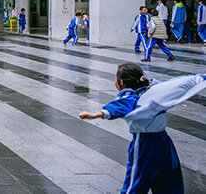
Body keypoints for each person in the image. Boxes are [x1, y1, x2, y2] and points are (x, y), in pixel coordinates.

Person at [78, 63, 206, 193]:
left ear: (121, 83)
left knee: (135, 184)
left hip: (144, 144)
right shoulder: (155, 90)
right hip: (165, 143)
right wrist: (200, 78)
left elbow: (121, 105)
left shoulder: (130, 97)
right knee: (169, 182)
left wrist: (97, 114)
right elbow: (178, 84)